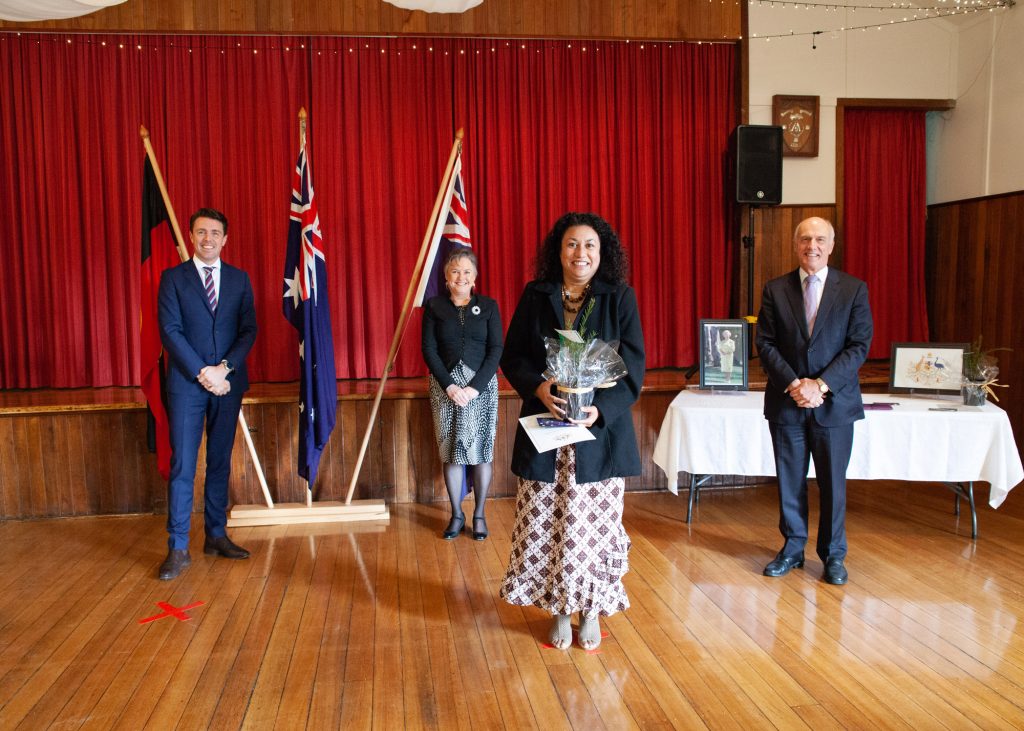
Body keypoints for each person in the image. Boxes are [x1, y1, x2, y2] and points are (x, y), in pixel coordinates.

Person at [499, 212, 645, 651]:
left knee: (594, 529)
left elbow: (633, 368)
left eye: (589, 246)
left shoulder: (620, 297)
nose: (580, 254)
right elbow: (514, 357)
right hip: (546, 435)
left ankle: (592, 610)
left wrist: (598, 411)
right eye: (571, 245)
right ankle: (560, 609)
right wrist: (539, 387)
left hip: (598, 438)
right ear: (557, 252)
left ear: (602, 254)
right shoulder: (535, 294)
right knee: (549, 526)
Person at [755, 217, 872, 585]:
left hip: (835, 404)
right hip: (787, 402)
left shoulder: (853, 289)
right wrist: (794, 383)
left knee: (833, 483)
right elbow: (765, 343)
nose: (812, 246)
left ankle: (833, 555)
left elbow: (859, 346)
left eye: (820, 239)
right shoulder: (775, 289)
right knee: (790, 480)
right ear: (795, 245)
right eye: (805, 239)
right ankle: (792, 548)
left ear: (831, 245)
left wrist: (820, 385)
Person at [156, 207, 258, 580]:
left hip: (228, 384)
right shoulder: (173, 279)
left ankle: (215, 535)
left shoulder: (239, 279)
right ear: (192, 236)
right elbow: (170, 330)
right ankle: (178, 548)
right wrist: (204, 373)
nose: (208, 239)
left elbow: (248, 329)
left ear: (225, 239)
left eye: (215, 233)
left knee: (219, 462)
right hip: (187, 385)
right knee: (183, 464)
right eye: (201, 232)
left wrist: (224, 369)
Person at [421, 249, 503, 540]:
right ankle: (457, 514)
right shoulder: (433, 307)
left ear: (475, 277)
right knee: (452, 453)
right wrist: (450, 386)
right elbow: (429, 350)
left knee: (481, 452)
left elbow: (496, 350)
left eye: (467, 271)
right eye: (455, 271)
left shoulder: (489, 306)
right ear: (445, 277)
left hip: (481, 389)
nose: (461, 277)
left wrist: (473, 387)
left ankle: (479, 514)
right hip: (446, 390)